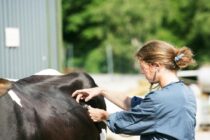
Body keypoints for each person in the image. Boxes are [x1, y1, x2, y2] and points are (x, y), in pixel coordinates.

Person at [72, 40, 196, 140]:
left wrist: (104, 116)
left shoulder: (159, 99)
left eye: (143, 68)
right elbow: (138, 106)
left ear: (156, 66)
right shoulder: (186, 93)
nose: (142, 72)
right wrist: (102, 90)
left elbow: (129, 122)